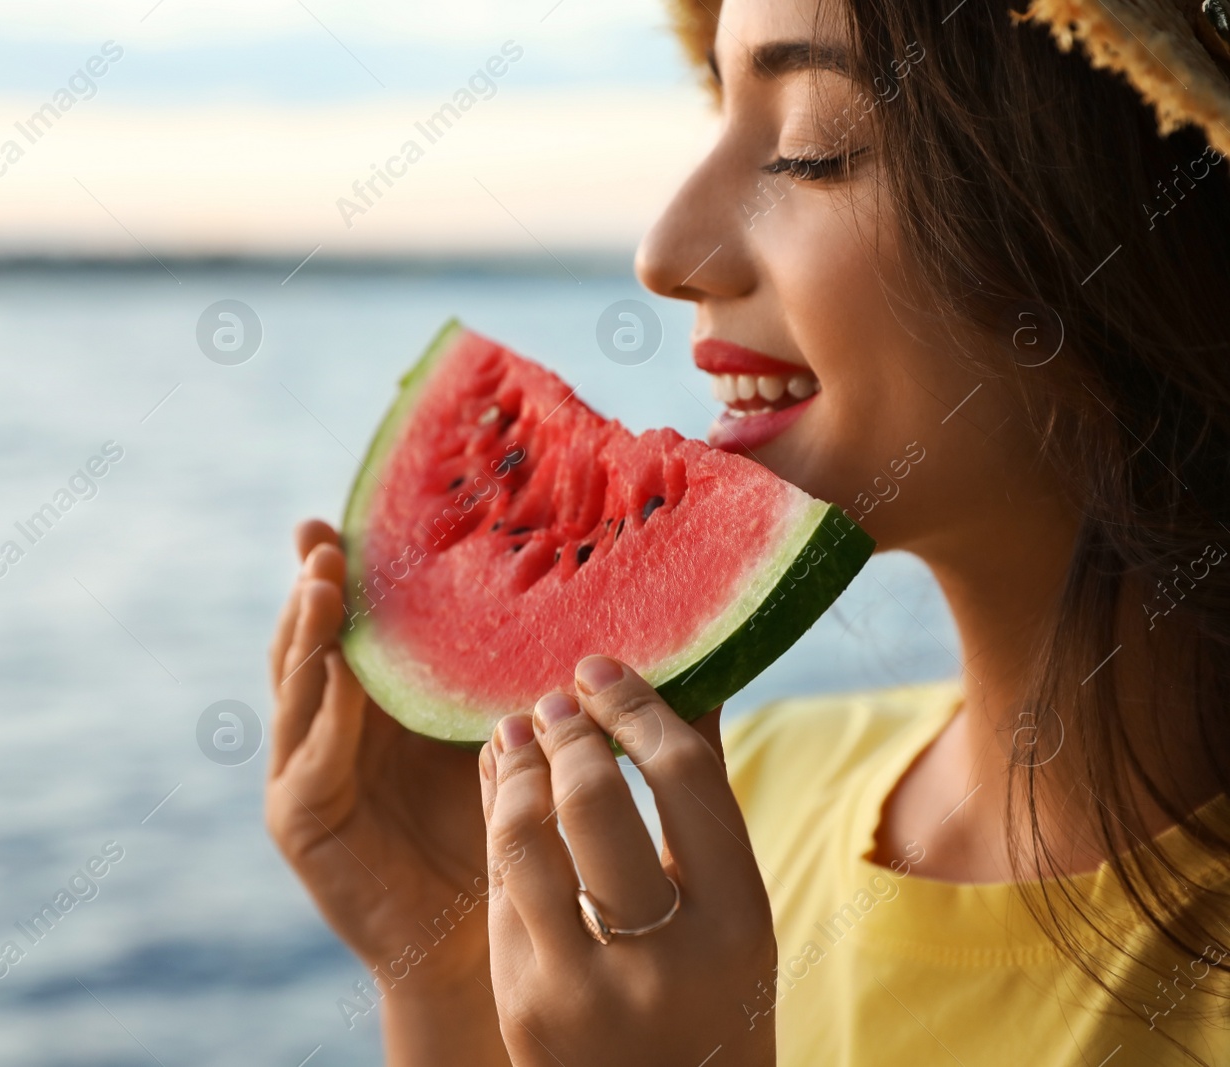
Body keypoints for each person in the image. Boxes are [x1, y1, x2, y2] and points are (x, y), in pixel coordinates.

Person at [266, 0, 1230, 1061]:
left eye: (813, 147)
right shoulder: (729, 806)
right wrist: (448, 967)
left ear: (1119, 215)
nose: (667, 249)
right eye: (719, 111)